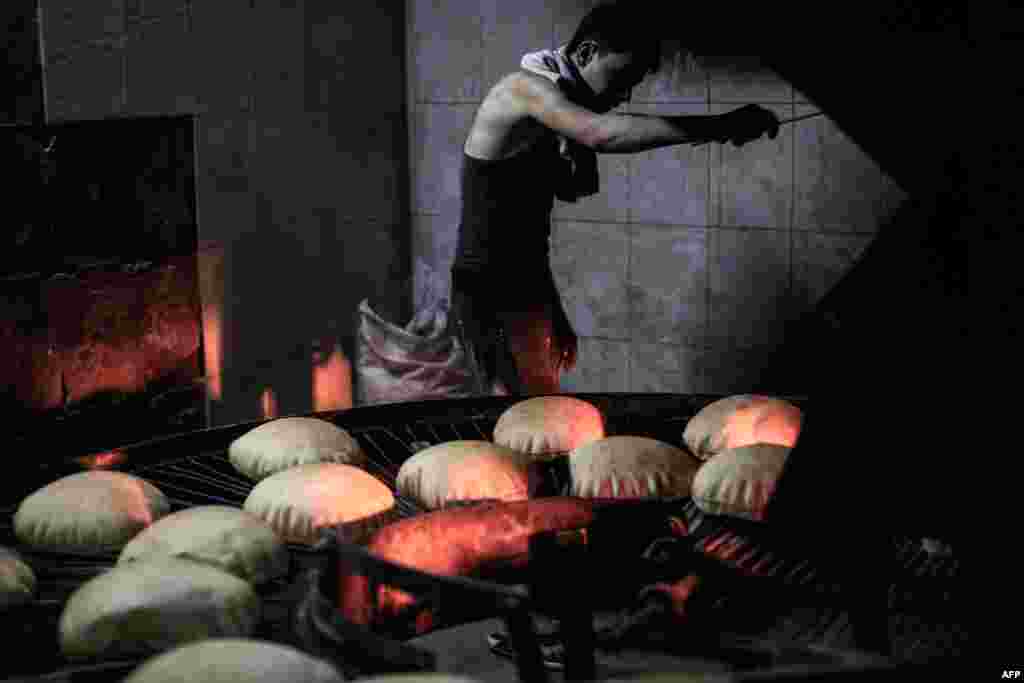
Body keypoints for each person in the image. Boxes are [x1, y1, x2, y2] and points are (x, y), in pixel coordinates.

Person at [450, 1, 781, 396]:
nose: (624, 95)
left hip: (525, 288)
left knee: (537, 416)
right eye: (623, 78)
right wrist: (719, 125)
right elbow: (600, 134)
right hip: (488, 290)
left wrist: (553, 312)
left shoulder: (553, 114)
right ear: (587, 53)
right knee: (522, 420)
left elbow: (524, 232)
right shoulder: (521, 90)